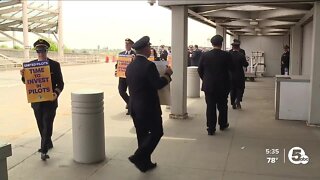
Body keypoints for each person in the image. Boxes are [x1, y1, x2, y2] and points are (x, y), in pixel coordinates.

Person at [126, 36, 173, 172]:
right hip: (148, 108)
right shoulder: (149, 65)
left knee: (142, 135)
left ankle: (144, 163)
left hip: (135, 106)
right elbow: (158, 84)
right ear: (146, 49)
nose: (151, 50)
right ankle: (138, 156)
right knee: (157, 132)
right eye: (149, 47)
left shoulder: (130, 66)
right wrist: (167, 75)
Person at [20, 39, 64, 160]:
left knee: (47, 123)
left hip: (50, 101)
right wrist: (24, 76)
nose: (41, 53)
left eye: (43, 50)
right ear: (36, 52)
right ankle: (47, 142)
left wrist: (56, 94)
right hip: (36, 102)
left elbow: (60, 83)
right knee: (41, 125)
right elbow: (28, 83)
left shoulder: (54, 65)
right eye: (38, 51)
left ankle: (43, 150)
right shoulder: (31, 65)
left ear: (46, 51)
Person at [198, 35, 234, 135]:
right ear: (221, 44)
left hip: (209, 86)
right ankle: (222, 124)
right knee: (222, 106)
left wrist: (205, 79)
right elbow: (231, 69)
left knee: (210, 107)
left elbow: (199, 70)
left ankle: (211, 128)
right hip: (223, 85)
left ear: (212, 44)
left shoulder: (205, 55)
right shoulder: (226, 55)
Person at [115, 38, 135, 115]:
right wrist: (116, 70)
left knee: (131, 92)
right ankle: (130, 103)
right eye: (125, 44)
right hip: (122, 76)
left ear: (131, 45)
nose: (126, 45)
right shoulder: (121, 54)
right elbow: (118, 64)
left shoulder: (134, 54)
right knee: (121, 91)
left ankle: (131, 108)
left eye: (128, 44)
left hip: (131, 77)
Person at [229, 40, 249, 109]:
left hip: (231, 75)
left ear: (232, 47)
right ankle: (238, 101)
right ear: (238, 47)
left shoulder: (229, 54)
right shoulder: (241, 55)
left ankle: (233, 103)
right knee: (240, 88)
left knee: (232, 89)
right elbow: (245, 64)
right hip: (239, 75)